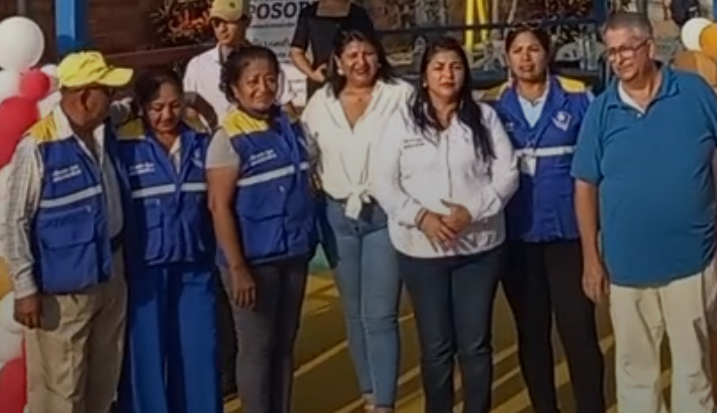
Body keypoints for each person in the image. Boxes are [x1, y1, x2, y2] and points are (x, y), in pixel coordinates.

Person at [571, 12, 717, 413]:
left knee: (693, 366)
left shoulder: (694, 92)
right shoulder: (601, 110)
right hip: (626, 265)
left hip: (691, 257)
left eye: (626, 49)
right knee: (635, 368)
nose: (618, 59)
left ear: (648, 47)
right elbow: (584, 185)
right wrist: (591, 258)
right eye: (611, 52)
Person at [371, 36, 518, 413]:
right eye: (438, 68)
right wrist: (421, 217)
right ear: (424, 77)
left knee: (475, 345)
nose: (447, 75)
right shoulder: (401, 122)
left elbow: (507, 174)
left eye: (455, 67)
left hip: (479, 250)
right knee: (436, 348)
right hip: (421, 253)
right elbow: (383, 182)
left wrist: (472, 211)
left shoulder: (484, 117)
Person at [3, 51, 134, 413]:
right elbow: (15, 221)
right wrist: (25, 289)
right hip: (63, 290)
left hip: (110, 272)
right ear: (85, 96)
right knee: (63, 388)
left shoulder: (104, 127)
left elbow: (128, 107)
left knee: (104, 378)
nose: (114, 99)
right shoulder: (37, 146)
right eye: (108, 91)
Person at [491, 26, 606, 413]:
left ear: (547, 52)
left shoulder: (578, 98)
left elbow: (597, 165)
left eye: (534, 49)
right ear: (507, 57)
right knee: (532, 333)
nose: (526, 58)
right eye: (518, 51)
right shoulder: (492, 107)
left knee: (578, 331)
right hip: (518, 237)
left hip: (568, 234)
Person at [302, 30, 413, 413]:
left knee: (380, 314)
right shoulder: (321, 103)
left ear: (379, 57)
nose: (360, 62)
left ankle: (384, 403)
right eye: (352, 55)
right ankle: (368, 392)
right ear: (337, 61)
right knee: (353, 311)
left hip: (384, 214)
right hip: (336, 216)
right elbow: (306, 155)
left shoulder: (400, 96)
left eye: (368, 53)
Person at [206, 46, 318, 413]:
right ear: (234, 88)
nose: (263, 88)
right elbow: (219, 207)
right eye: (252, 81)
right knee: (257, 348)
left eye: (270, 78)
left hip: (294, 253)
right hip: (253, 261)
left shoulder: (290, 124)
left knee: (284, 344)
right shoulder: (228, 138)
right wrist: (238, 268)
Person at [115, 70, 220, 413]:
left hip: (196, 266)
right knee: (146, 356)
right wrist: (126, 108)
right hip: (144, 269)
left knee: (199, 350)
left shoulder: (201, 141)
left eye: (175, 105)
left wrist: (202, 107)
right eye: (157, 107)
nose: (167, 115)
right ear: (142, 107)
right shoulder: (124, 146)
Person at [184, 0, 292, 127]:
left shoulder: (266, 64)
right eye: (216, 23)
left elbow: (287, 109)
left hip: (257, 137)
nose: (222, 28)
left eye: (229, 21)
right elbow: (190, 113)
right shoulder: (197, 66)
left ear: (247, 22)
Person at [290, 0, 377, 98]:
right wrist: (312, 74)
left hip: (352, 82)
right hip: (321, 82)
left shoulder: (359, 15)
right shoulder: (309, 14)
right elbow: (296, 52)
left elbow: (371, 49)